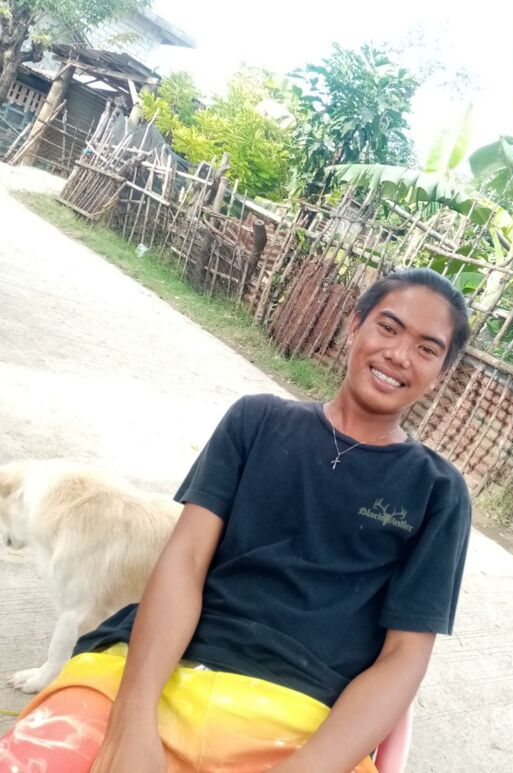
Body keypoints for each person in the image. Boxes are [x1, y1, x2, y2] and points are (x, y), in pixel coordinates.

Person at [0, 268, 472, 773]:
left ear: (441, 372)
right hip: (163, 668)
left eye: (427, 349)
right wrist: (130, 723)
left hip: (308, 714)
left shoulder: (437, 492)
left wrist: (306, 769)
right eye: (389, 327)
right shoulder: (257, 421)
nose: (399, 355)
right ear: (355, 325)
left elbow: (404, 656)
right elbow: (183, 560)